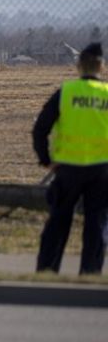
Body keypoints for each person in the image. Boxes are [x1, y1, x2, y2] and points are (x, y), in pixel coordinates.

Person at [32, 42, 108, 274]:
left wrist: (46, 159)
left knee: (58, 221)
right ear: (102, 67)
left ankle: (47, 270)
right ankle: (90, 272)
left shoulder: (66, 93)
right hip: (102, 170)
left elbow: (40, 128)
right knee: (96, 224)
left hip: (68, 169)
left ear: (78, 67)